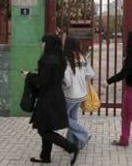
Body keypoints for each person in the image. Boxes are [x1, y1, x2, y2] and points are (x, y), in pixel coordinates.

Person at [23, 34, 79, 165]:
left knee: (43, 129)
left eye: (43, 42)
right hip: (56, 95)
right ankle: (45, 156)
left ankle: (71, 147)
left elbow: (43, 81)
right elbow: (51, 78)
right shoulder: (60, 58)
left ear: (48, 44)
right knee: (46, 126)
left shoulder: (47, 59)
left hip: (48, 98)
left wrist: (28, 76)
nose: (41, 45)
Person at [62, 37, 95, 149]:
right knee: (73, 117)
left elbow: (67, 81)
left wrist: (61, 86)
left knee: (63, 117)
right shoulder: (82, 57)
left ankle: (84, 133)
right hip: (81, 93)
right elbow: (90, 74)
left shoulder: (66, 59)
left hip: (70, 94)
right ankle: (71, 142)